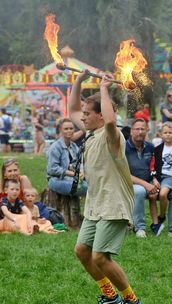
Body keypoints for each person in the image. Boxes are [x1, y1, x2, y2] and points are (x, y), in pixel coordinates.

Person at [69, 70, 140, 304]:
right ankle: (110, 295)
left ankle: (131, 299)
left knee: (100, 257)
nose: (83, 118)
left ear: (100, 116)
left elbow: (111, 120)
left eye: (88, 114)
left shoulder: (112, 135)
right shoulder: (91, 134)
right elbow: (72, 111)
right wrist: (79, 81)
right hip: (96, 203)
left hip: (114, 202)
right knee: (82, 250)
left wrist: (103, 89)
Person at [125, 118, 159, 238]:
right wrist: (146, 185)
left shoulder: (151, 147)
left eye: (142, 129)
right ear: (131, 131)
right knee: (139, 191)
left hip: (150, 182)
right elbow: (124, 174)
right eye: (137, 129)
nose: (140, 132)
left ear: (147, 131)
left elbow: (156, 167)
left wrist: (155, 180)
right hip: (130, 184)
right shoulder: (123, 148)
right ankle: (139, 228)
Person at [46, 118, 86, 196]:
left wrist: (81, 171)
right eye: (66, 129)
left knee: (92, 185)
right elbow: (52, 169)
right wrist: (72, 174)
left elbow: (79, 162)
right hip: (56, 180)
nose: (69, 131)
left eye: (71, 128)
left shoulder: (74, 146)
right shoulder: (55, 147)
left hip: (72, 179)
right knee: (86, 188)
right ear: (61, 130)